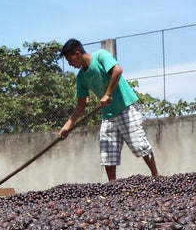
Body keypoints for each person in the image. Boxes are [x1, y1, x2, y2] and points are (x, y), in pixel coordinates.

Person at [58, 38, 159, 182]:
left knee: (139, 145)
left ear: (77, 53)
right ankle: (112, 186)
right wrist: (68, 126)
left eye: (70, 60)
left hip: (125, 108)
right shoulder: (81, 77)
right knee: (107, 153)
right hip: (108, 115)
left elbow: (117, 70)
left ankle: (156, 177)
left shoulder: (101, 56)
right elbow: (81, 104)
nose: (70, 64)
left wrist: (106, 94)